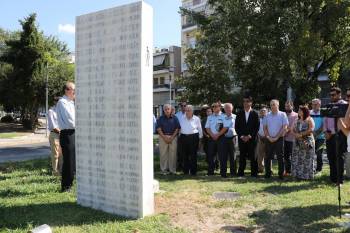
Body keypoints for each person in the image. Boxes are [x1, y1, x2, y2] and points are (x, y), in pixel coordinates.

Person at [324, 87, 347, 185]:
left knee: (339, 158)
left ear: (339, 95)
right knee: (331, 157)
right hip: (329, 135)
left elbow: (344, 121)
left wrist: (332, 132)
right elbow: (325, 118)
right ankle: (332, 179)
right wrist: (325, 132)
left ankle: (339, 180)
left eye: (333, 95)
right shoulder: (329, 105)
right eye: (330, 95)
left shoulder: (344, 105)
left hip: (339, 134)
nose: (331, 97)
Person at [56, 82, 76, 192]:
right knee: (68, 160)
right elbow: (70, 120)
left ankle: (70, 183)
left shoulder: (71, 102)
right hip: (67, 133)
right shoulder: (62, 102)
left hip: (73, 132)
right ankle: (66, 186)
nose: (75, 92)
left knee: (73, 160)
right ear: (67, 90)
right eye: (74, 90)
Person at [263, 99, 289, 179]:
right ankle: (267, 174)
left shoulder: (283, 114)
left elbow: (284, 127)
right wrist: (268, 137)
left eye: (274, 104)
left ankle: (281, 174)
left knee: (280, 157)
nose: (272, 106)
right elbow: (265, 128)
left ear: (278, 105)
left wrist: (277, 137)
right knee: (267, 157)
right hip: (269, 139)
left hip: (279, 139)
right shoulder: (267, 115)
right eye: (271, 105)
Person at [235, 96, 260, 177]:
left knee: (253, 157)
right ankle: (241, 173)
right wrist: (242, 136)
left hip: (252, 139)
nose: (245, 103)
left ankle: (254, 174)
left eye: (247, 101)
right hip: (242, 139)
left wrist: (249, 136)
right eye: (244, 101)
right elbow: (237, 126)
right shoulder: (239, 113)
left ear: (251, 103)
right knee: (242, 156)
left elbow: (257, 127)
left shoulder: (255, 113)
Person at [292, 105, 316, 180]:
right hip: (297, 142)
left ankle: (307, 176)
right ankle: (297, 176)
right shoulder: (296, 120)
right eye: (298, 110)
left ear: (304, 111)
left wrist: (301, 134)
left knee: (307, 159)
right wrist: (295, 134)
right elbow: (292, 129)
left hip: (307, 141)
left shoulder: (309, 119)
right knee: (297, 159)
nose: (298, 112)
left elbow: (311, 129)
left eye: (300, 110)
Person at [156, 104, 181, 175]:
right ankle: (164, 170)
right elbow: (158, 129)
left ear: (171, 110)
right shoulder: (160, 118)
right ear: (164, 110)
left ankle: (172, 170)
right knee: (163, 154)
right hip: (163, 137)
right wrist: (164, 137)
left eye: (168, 109)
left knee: (173, 154)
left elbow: (177, 128)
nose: (167, 110)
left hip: (173, 137)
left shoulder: (175, 118)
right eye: (165, 109)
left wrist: (172, 137)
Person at [179, 105, 203, 175]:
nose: (187, 112)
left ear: (192, 111)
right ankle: (185, 171)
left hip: (193, 137)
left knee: (193, 155)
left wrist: (200, 140)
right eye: (186, 110)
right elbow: (179, 128)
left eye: (189, 110)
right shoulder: (182, 118)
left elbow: (200, 129)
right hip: (183, 137)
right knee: (184, 155)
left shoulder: (196, 119)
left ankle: (193, 171)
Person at [205, 102, 226, 176]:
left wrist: (218, 135)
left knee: (222, 156)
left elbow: (225, 127)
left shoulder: (224, 116)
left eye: (215, 106)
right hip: (211, 138)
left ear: (220, 107)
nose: (214, 108)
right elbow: (207, 128)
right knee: (210, 155)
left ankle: (223, 173)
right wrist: (213, 135)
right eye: (213, 107)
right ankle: (210, 172)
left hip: (221, 138)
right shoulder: (209, 117)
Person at [48, 97, 62, 176]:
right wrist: (62, 132)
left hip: (62, 134)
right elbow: (53, 126)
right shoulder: (51, 111)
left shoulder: (61, 111)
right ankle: (55, 172)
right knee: (55, 154)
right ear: (55, 102)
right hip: (54, 134)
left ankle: (61, 170)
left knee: (61, 154)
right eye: (58, 102)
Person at [222, 103, 237, 177]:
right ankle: (223, 172)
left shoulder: (235, 117)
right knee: (223, 155)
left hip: (233, 138)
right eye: (226, 108)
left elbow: (238, 127)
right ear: (224, 109)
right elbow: (218, 127)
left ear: (232, 108)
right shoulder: (222, 117)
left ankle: (233, 172)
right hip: (223, 138)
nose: (228, 109)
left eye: (229, 108)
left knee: (233, 155)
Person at [284, 101, 298, 176]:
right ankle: (287, 171)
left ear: (292, 106)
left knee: (293, 156)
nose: (287, 108)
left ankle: (294, 171)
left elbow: (292, 127)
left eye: (289, 106)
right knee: (286, 156)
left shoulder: (296, 115)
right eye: (286, 106)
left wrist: (284, 133)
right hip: (284, 139)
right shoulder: (283, 115)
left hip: (292, 139)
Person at [310, 98, 325, 172]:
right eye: (313, 104)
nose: (314, 106)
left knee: (319, 153)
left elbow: (324, 125)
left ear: (319, 104)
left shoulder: (323, 112)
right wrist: (311, 133)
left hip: (320, 137)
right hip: (310, 136)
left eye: (316, 104)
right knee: (310, 153)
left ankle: (319, 169)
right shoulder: (309, 113)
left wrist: (316, 134)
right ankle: (311, 168)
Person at [256, 106, 268, 173]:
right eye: (261, 111)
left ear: (267, 112)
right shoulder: (258, 120)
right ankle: (260, 168)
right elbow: (256, 129)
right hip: (259, 138)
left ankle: (269, 169)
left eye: (264, 111)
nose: (263, 112)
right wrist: (259, 136)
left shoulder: (269, 120)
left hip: (267, 138)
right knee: (260, 154)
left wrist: (266, 136)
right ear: (259, 113)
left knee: (267, 154)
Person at [176, 102, 186, 170]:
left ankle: (186, 165)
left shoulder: (189, 113)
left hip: (187, 135)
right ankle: (180, 165)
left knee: (186, 151)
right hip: (179, 135)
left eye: (184, 105)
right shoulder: (177, 115)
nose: (183, 107)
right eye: (182, 106)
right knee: (179, 151)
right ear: (180, 107)